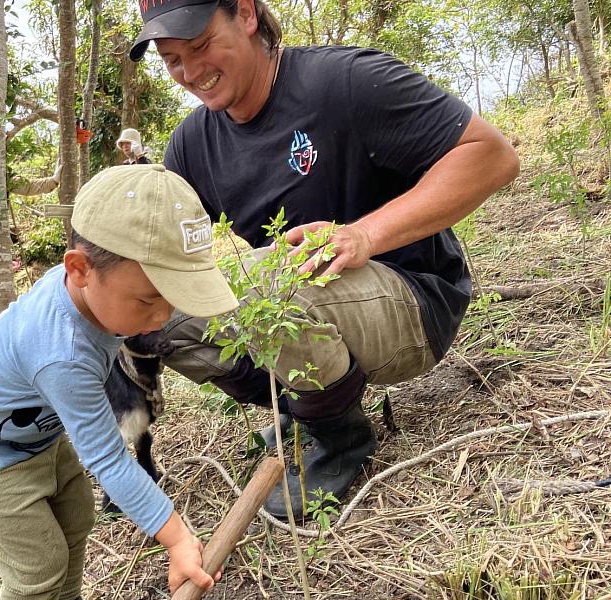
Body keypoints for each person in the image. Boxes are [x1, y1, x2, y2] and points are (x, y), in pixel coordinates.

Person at [130, 0, 520, 519]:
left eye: (199, 46)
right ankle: (303, 404)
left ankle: (341, 440)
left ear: (246, 14)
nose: (191, 72)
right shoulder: (192, 145)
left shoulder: (345, 81)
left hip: (411, 303)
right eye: (172, 60)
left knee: (273, 280)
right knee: (152, 315)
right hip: (311, 303)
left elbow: (493, 155)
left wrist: (364, 234)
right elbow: (162, 258)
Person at [0, 164, 235, 599]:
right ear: (80, 268)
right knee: (38, 567)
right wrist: (178, 539)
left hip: (31, 434)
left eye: (172, 298)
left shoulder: (88, 291)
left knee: (76, 518)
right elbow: (109, 460)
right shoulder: (61, 354)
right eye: (147, 299)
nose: (162, 317)